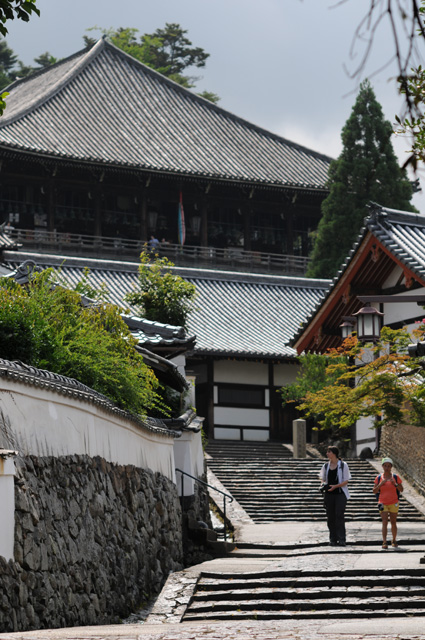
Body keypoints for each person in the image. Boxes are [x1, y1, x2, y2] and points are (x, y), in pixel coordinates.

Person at [319, 445, 352, 546]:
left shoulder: (343, 465)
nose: (327, 454)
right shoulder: (326, 466)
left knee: (339, 516)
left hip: (340, 493)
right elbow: (322, 478)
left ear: (334, 453)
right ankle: (333, 539)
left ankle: (341, 538)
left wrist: (336, 486)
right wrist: (322, 484)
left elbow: (346, 480)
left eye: (329, 452)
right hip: (329, 494)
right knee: (330, 517)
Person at [373, 457, 403, 549]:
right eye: (385, 466)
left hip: (394, 502)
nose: (387, 467)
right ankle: (384, 541)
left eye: (389, 466)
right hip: (382, 502)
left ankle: (394, 540)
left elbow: (401, 489)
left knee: (393, 522)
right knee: (384, 522)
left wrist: (396, 484)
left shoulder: (395, 477)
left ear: (391, 467)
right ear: (382, 466)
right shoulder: (379, 478)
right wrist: (381, 484)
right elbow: (374, 491)